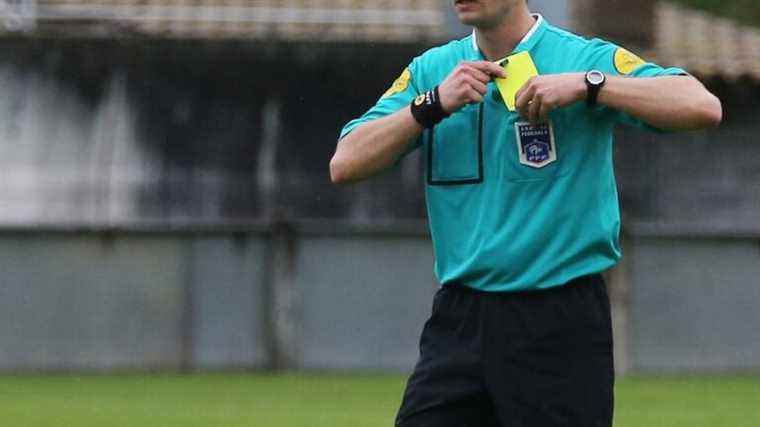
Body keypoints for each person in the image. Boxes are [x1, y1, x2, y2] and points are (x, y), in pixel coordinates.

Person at [330, 1, 722, 426]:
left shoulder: (580, 58)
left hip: (558, 320)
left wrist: (590, 86)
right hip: (460, 320)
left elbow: (702, 106)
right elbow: (345, 162)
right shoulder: (434, 70)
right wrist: (432, 105)